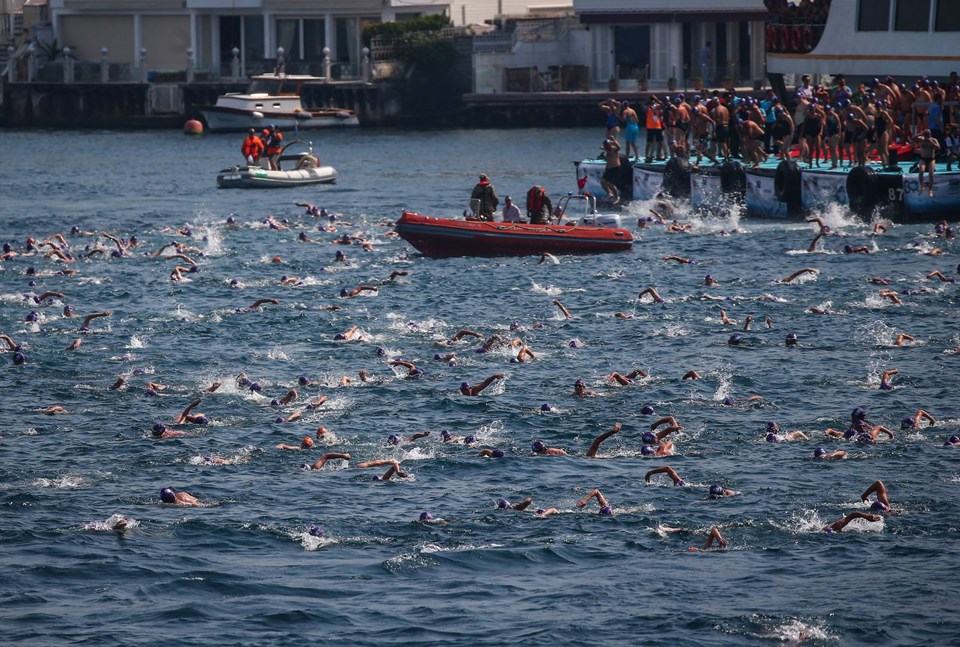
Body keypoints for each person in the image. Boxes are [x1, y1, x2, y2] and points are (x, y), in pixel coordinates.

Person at [915, 129, 940, 196]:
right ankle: (922, 186)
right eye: (925, 135)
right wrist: (920, 133)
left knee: (931, 173)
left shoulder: (933, 140)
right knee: (921, 171)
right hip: (923, 158)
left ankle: (930, 189)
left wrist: (930, 141)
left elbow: (938, 147)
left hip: (931, 159)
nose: (926, 137)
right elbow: (913, 138)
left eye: (928, 136)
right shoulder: (921, 139)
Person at [600, 137, 622, 205]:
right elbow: (601, 147)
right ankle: (609, 193)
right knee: (602, 181)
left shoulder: (614, 149)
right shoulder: (607, 150)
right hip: (609, 169)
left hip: (615, 168)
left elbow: (619, 147)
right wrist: (604, 147)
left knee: (611, 184)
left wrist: (614, 141)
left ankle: (617, 197)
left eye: (608, 145)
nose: (607, 147)